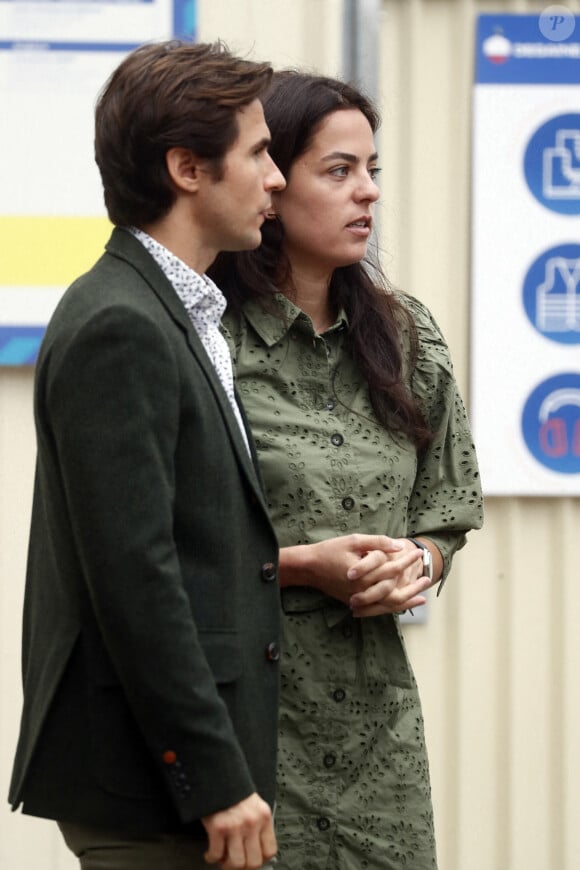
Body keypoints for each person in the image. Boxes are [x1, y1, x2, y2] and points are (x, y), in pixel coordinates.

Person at [8, 40, 287, 870]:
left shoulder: (178, 309)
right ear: (187, 169)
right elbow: (135, 575)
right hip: (153, 792)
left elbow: (191, 540)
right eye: (260, 152)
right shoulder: (120, 324)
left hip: (181, 785)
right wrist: (213, 778)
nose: (276, 177)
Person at [210, 71, 484, 870]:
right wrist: (299, 570)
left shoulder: (405, 334)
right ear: (271, 184)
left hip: (377, 731)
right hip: (250, 723)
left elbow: (449, 502)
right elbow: (164, 542)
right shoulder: (209, 339)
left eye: (373, 171)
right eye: (338, 171)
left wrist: (420, 561)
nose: (367, 194)